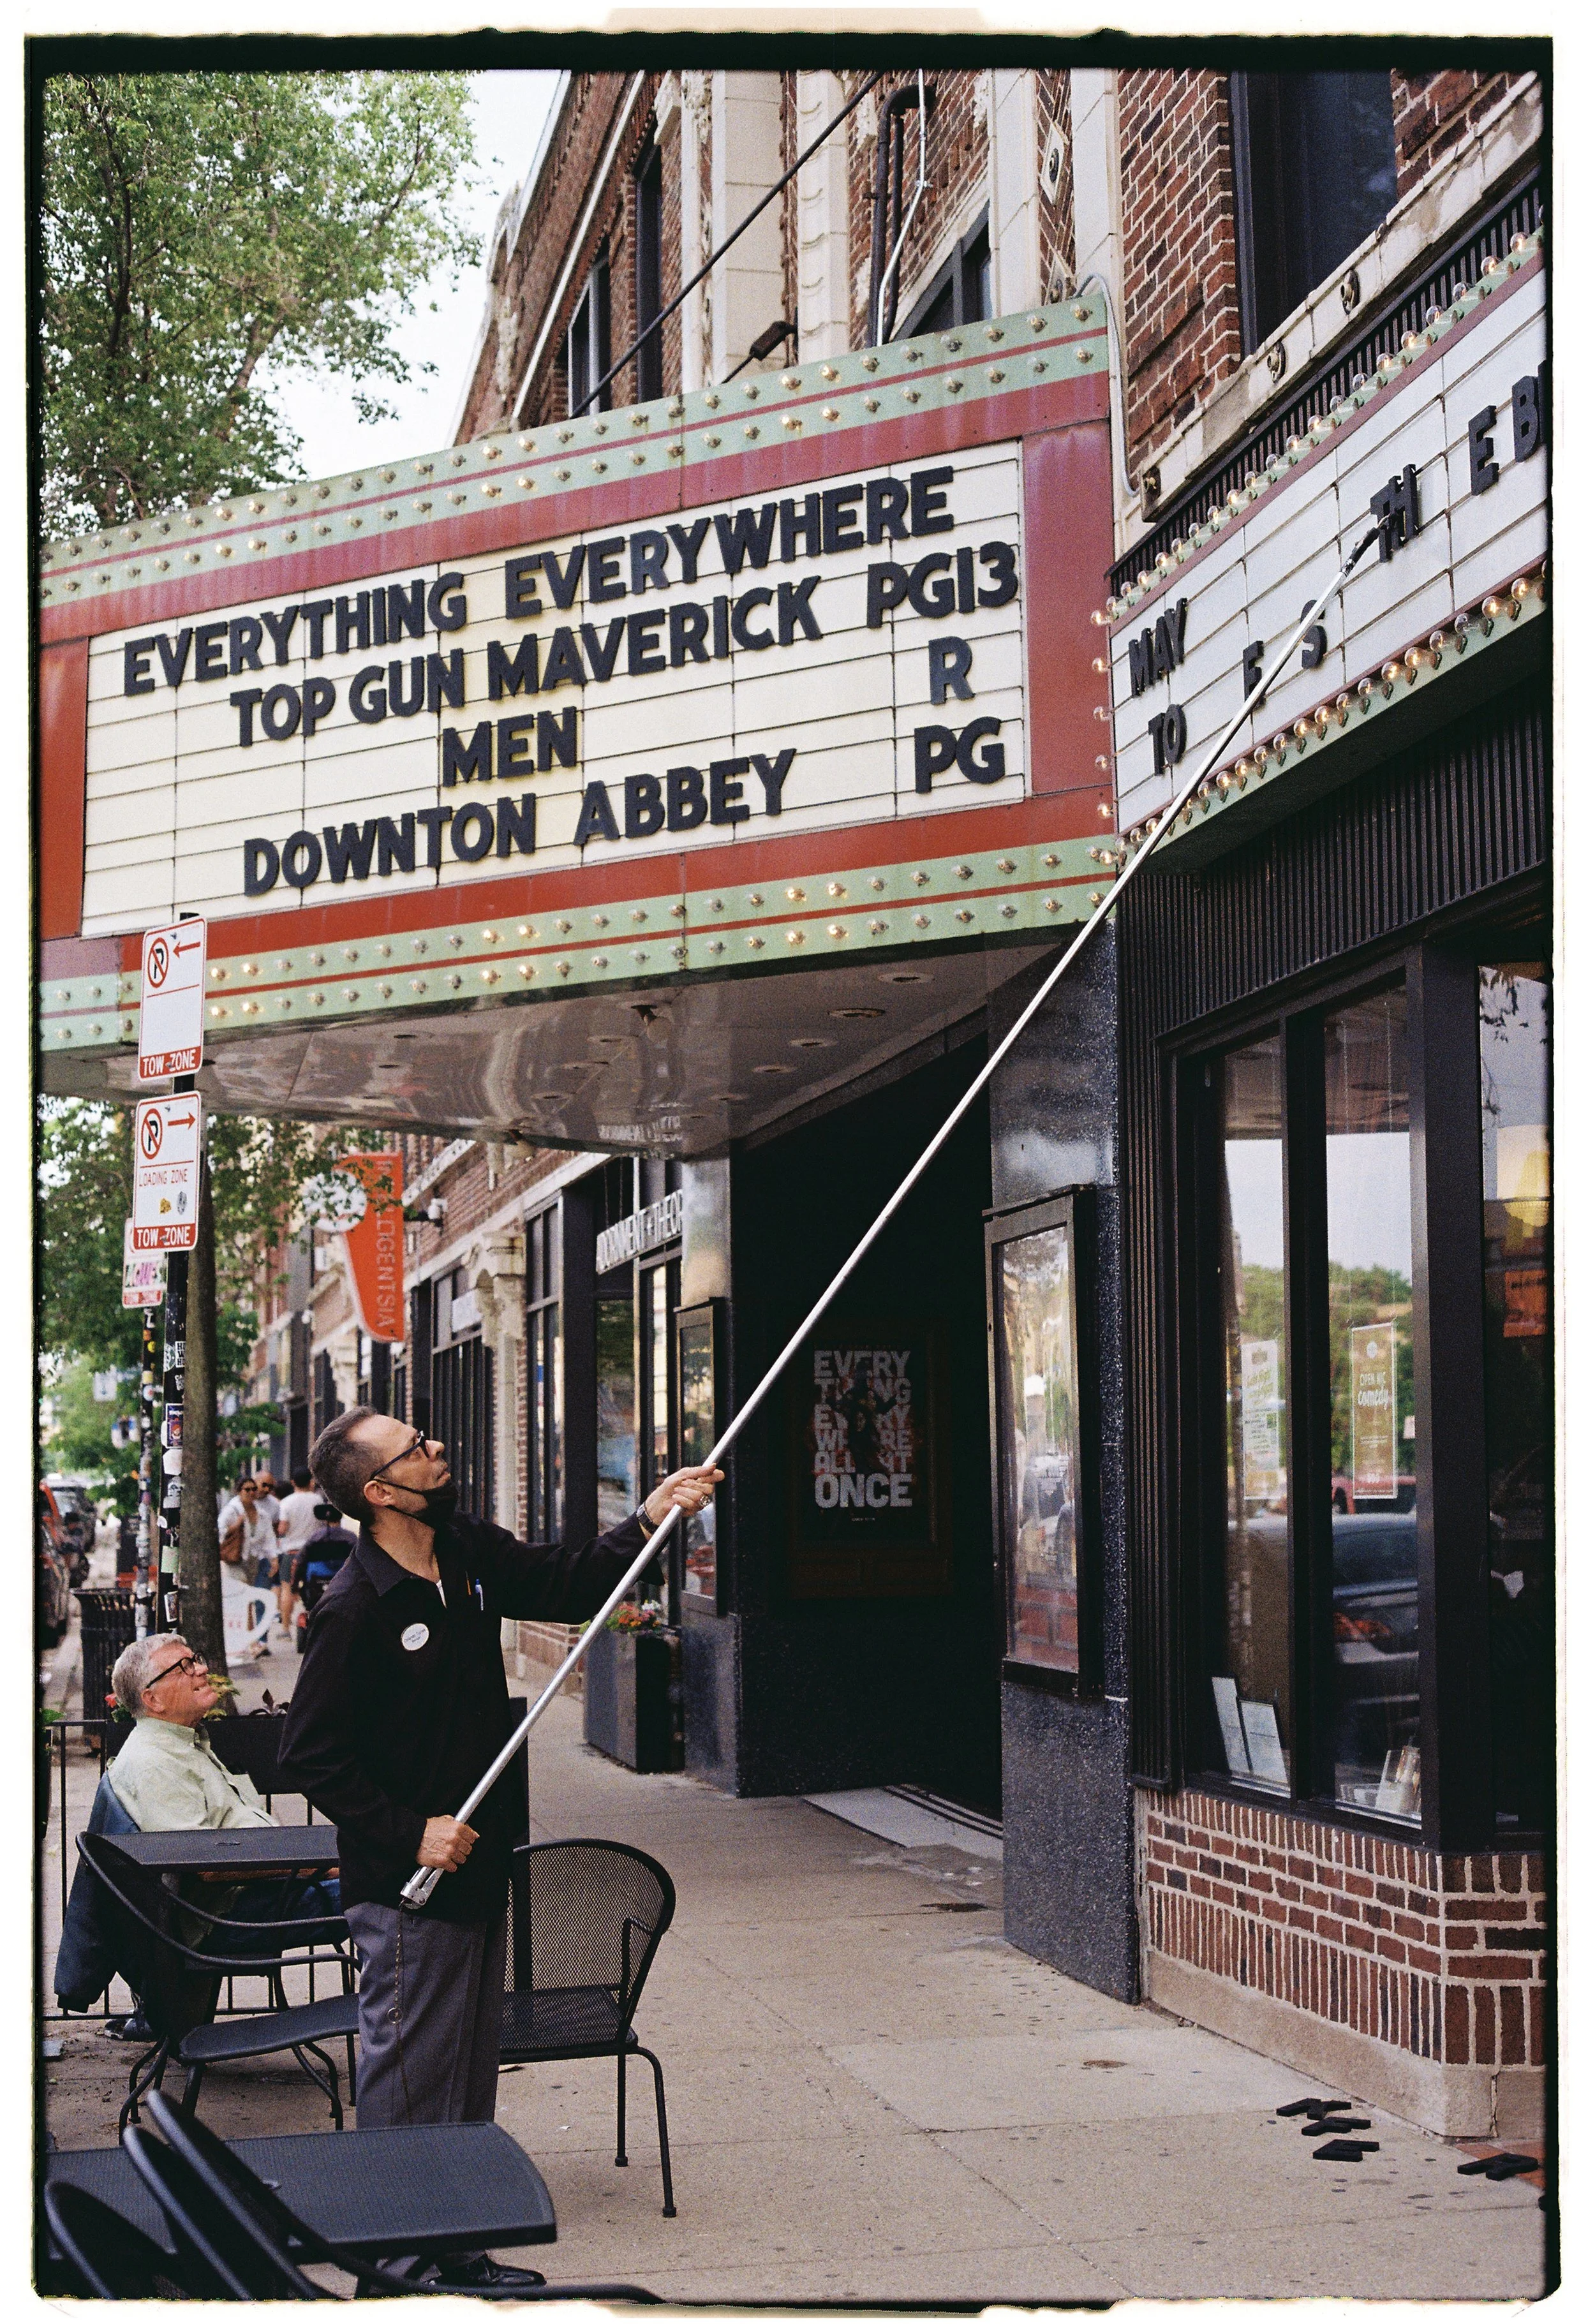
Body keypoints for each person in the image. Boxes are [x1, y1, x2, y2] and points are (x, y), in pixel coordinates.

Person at [278, 1408, 720, 2293]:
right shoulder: (356, 1606)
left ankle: (457, 2240)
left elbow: (565, 1582)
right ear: (379, 1490)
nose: (438, 1449)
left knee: (466, 2074)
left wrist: (649, 1519)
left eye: (430, 1438)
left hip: (480, 1867)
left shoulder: (466, 1553)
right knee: (408, 2079)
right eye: (418, 1449)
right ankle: (394, 2268)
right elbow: (309, 1755)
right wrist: (412, 1829)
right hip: (409, 1885)